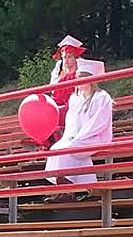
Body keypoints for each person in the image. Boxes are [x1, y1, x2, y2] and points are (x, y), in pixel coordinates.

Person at [44, 59, 113, 195]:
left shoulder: (102, 97)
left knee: (70, 147)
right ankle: (63, 189)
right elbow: (72, 122)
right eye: (78, 77)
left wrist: (79, 136)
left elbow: (99, 123)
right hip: (76, 135)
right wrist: (70, 136)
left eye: (82, 77)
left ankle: (68, 190)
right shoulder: (75, 98)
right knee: (56, 148)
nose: (79, 80)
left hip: (95, 136)